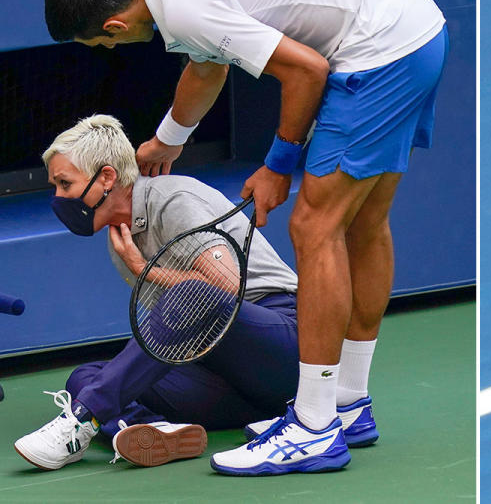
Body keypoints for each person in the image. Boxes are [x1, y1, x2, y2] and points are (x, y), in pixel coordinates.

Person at [44, 0, 448, 475]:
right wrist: (170, 137)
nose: (111, 50)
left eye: (102, 45)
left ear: (115, 27)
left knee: (313, 227)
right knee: (364, 223)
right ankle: (348, 405)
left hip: (379, 49)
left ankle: (315, 428)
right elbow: (207, 66)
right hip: (413, 29)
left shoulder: (186, 7)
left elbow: (307, 70)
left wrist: (278, 165)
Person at [15, 114, 302, 470]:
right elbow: (167, 342)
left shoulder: (172, 199)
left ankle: (83, 419)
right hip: (231, 381)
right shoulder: (121, 234)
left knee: (194, 294)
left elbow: (226, 287)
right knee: (85, 376)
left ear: (106, 177)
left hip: (284, 346)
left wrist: (144, 270)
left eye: (64, 183)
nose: (58, 198)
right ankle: (151, 430)